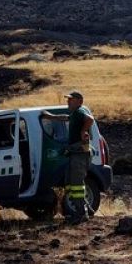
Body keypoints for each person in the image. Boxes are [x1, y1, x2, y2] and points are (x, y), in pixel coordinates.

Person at [47, 90, 94, 222]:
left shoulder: (80, 112)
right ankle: (87, 209)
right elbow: (64, 117)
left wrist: (83, 130)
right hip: (75, 154)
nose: (68, 101)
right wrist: (49, 116)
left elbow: (90, 119)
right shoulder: (74, 115)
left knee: (76, 185)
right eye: (68, 99)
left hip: (80, 155)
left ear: (79, 101)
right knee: (71, 183)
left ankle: (81, 214)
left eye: (71, 99)